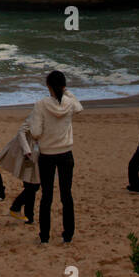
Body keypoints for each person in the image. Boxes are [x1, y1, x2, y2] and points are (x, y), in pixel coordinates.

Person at [29, 70, 83, 244]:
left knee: (47, 196)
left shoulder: (40, 104)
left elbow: (36, 132)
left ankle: (44, 236)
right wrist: (66, 91)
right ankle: (68, 234)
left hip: (47, 154)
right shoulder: (69, 103)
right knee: (66, 195)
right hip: (66, 153)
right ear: (64, 85)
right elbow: (79, 107)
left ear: (48, 86)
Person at [0, 111, 39, 224]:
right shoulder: (37, 114)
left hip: (34, 153)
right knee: (32, 186)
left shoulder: (44, 115)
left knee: (31, 186)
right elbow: (21, 131)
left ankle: (28, 216)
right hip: (29, 154)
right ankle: (16, 207)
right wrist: (27, 151)